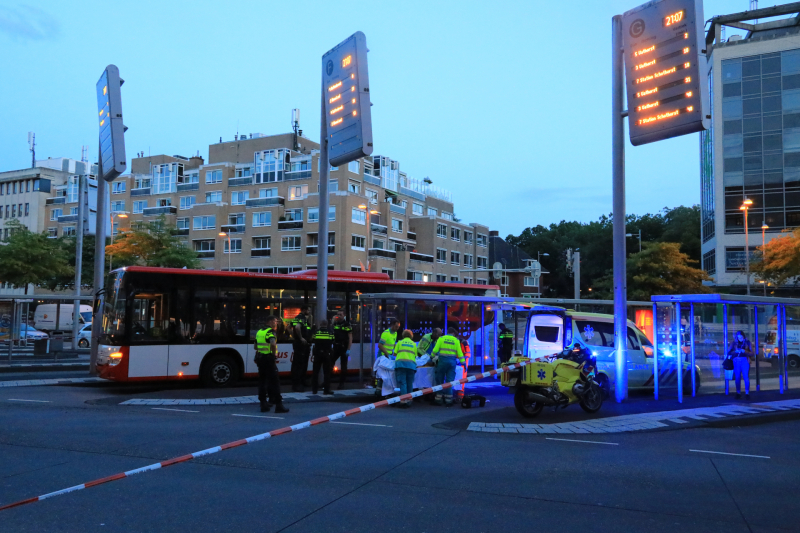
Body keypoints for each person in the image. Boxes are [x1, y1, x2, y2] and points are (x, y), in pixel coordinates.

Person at [254, 315, 289, 414]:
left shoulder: (259, 331)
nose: (276, 323)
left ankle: (263, 404)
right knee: (275, 382)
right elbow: (273, 344)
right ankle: (279, 405)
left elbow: (255, 346)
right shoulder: (270, 332)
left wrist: (261, 350)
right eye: (275, 321)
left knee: (262, 381)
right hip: (269, 359)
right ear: (269, 322)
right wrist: (273, 355)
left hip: (260, 359)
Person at [431, 327, 465, 406]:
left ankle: (438, 399)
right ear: (453, 333)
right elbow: (460, 353)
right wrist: (463, 363)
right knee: (450, 381)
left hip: (442, 361)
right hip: (452, 362)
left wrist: (432, 357)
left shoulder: (441, 338)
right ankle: (448, 400)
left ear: (448, 332)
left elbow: (435, 350)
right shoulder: (456, 340)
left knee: (439, 379)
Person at [290, 305, 312, 392]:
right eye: (308, 310)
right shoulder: (301, 318)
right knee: (299, 364)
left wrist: (294, 335)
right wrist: (300, 338)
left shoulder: (298, 318)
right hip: (301, 344)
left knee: (302, 363)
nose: (309, 312)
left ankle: (302, 381)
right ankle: (297, 384)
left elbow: (289, 327)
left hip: (302, 344)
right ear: (304, 310)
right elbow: (297, 327)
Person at [393, 330, 417, 408]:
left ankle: (403, 401)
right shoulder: (413, 344)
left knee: (403, 383)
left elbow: (395, 353)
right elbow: (415, 355)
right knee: (409, 383)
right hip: (411, 365)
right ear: (411, 336)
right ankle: (409, 400)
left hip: (401, 365)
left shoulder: (399, 342)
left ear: (403, 335)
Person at [311, 320, 335, 395]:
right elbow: (333, 341)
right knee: (327, 373)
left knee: (315, 372)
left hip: (317, 354)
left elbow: (313, 339)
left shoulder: (316, 332)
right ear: (327, 324)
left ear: (320, 324)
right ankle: (326, 390)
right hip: (326, 354)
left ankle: (314, 390)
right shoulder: (330, 332)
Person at [728, 330, 752, 400]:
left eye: (741, 337)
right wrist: (735, 352)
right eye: (738, 337)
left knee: (746, 377)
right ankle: (738, 393)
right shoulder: (734, 343)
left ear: (743, 336)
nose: (740, 338)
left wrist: (745, 351)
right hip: (736, 361)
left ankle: (747, 393)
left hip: (745, 360)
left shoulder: (747, 343)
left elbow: (752, 353)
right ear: (737, 337)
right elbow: (729, 352)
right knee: (737, 377)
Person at [332, 311, 353, 390]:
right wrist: (333, 320)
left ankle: (341, 383)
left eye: (340, 315)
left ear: (344, 315)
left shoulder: (347, 324)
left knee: (343, 366)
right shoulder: (336, 323)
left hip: (343, 347)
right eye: (338, 314)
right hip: (336, 346)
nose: (339, 316)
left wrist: (348, 349)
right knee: (330, 363)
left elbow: (350, 337)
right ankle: (327, 381)